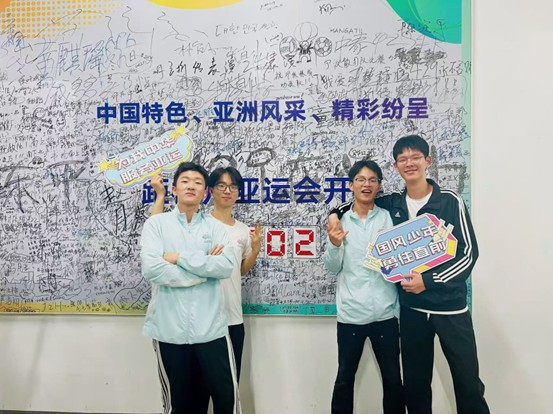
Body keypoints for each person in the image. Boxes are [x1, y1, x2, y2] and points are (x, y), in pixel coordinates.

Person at [329, 135, 489, 414]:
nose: (409, 163)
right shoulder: (393, 204)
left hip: (450, 309)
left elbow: (468, 254)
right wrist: (333, 213)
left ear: (428, 161)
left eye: (415, 157)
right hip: (412, 311)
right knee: (415, 387)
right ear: (396, 166)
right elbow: (356, 202)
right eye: (402, 159)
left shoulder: (449, 201)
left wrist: (428, 280)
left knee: (467, 384)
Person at [141, 162, 241, 414]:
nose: (191, 186)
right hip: (169, 330)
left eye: (198, 183)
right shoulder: (156, 225)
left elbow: (224, 267)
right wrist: (203, 270)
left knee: (226, 399)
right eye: (185, 181)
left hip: (211, 330)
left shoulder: (215, 227)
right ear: (174, 189)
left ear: (205, 192)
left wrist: (178, 258)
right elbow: (153, 270)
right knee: (180, 405)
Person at [323, 160, 405, 414]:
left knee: (393, 380)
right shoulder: (340, 221)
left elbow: (401, 259)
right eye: (360, 179)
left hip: (386, 314)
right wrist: (335, 244)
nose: (366, 184)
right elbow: (332, 267)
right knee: (344, 379)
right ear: (351, 185)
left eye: (372, 180)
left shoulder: (389, 218)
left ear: (379, 186)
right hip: (351, 315)